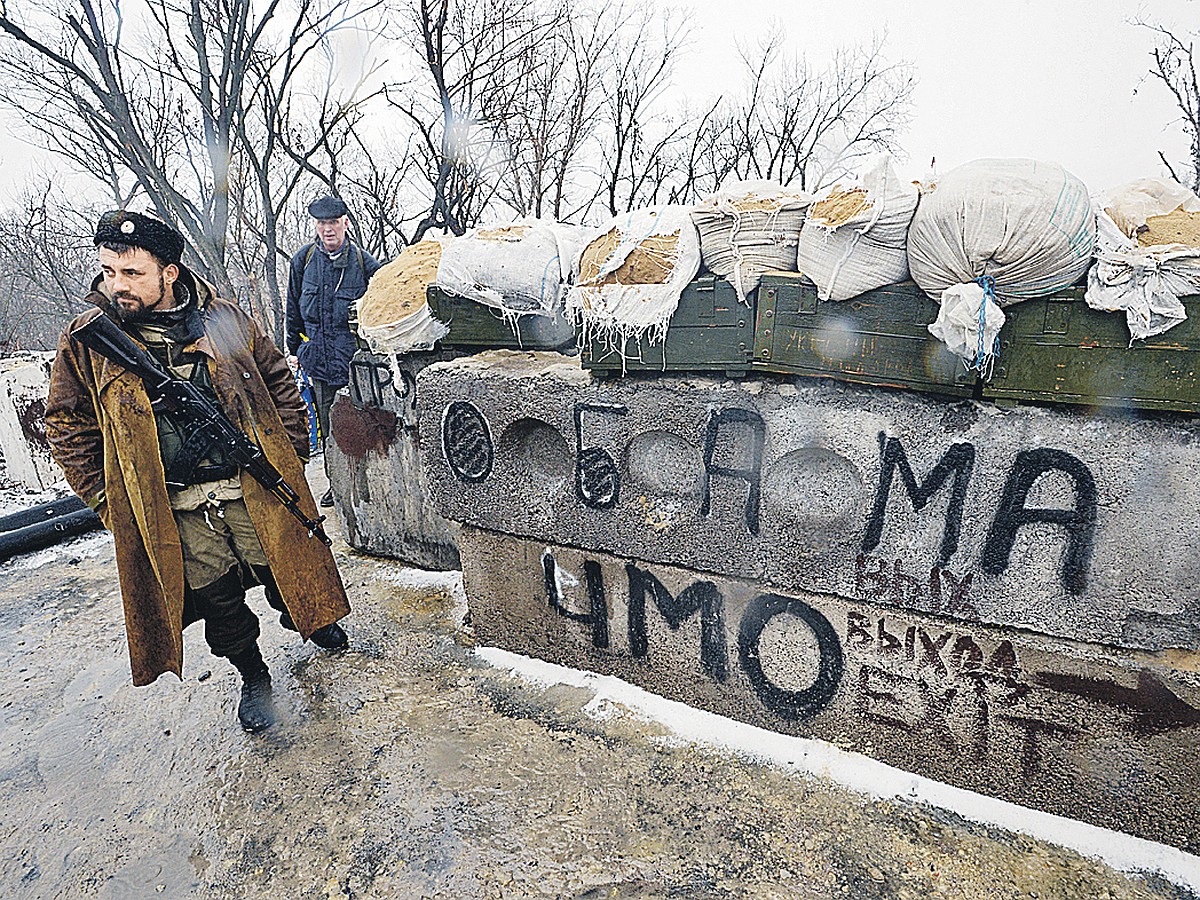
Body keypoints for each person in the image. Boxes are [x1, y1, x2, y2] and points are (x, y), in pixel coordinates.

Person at [45, 210, 351, 734]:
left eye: (132, 273)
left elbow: (277, 377)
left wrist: (292, 452)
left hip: (248, 483)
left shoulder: (220, 317)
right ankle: (253, 675)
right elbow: (67, 424)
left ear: (168, 272)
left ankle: (306, 617)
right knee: (217, 598)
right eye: (108, 271)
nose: (116, 285)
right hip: (174, 501)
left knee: (285, 563)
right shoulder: (86, 340)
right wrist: (105, 500)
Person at [286, 196, 380, 507]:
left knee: (363, 424)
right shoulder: (303, 260)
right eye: (322, 223)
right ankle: (336, 484)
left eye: (334, 222)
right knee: (329, 427)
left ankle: (366, 484)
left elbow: (379, 308)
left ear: (345, 223)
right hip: (319, 362)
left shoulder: (364, 263)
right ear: (316, 225)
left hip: (355, 364)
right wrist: (297, 346)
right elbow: (293, 311)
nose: (328, 229)